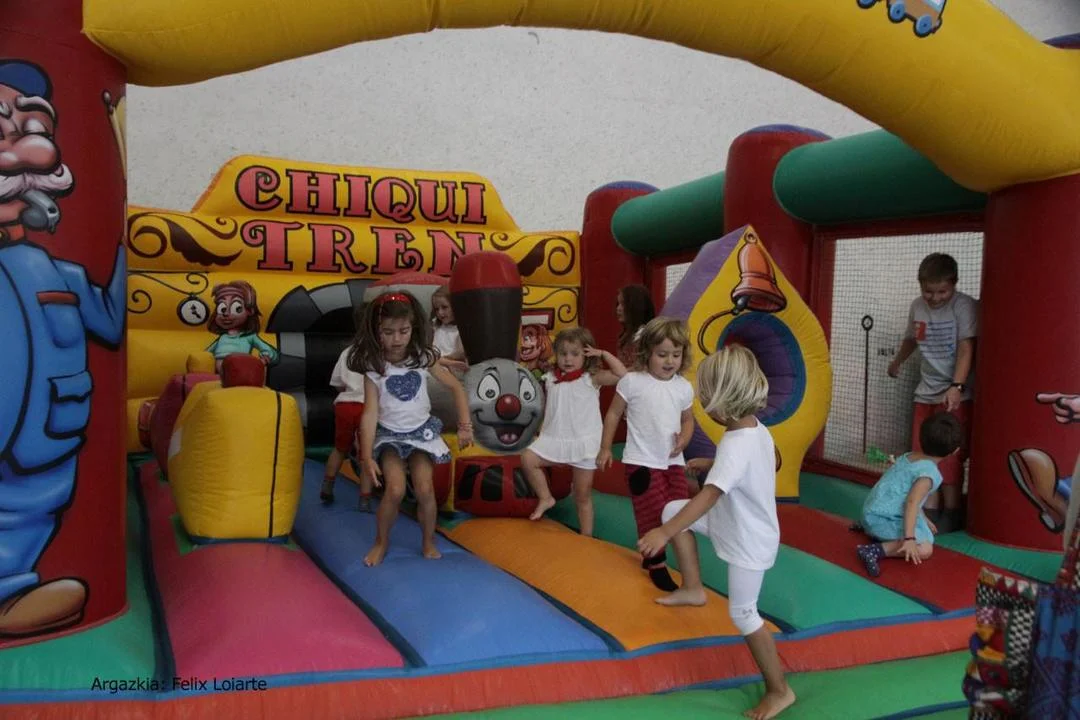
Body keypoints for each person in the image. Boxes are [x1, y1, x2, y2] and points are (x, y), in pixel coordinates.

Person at [637, 345, 794, 720]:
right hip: (731, 521)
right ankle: (694, 588)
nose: (702, 404)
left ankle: (779, 690)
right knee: (672, 506)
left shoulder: (737, 444)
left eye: (704, 397)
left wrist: (664, 533)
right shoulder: (753, 428)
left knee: (743, 613)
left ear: (720, 404)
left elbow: (708, 496)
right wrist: (716, 461)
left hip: (748, 539)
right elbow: (773, 460)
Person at [350, 291, 473, 567]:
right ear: (376, 331)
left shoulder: (422, 358)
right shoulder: (375, 367)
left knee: (425, 490)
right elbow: (369, 413)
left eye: (403, 331)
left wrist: (465, 426)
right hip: (390, 436)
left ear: (413, 328)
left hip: (421, 433)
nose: (397, 339)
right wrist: (366, 456)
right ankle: (381, 542)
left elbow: (456, 387)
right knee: (394, 490)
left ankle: (428, 541)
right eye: (388, 332)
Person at [598, 317, 694, 591]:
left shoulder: (683, 387)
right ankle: (656, 563)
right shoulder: (632, 382)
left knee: (677, 511)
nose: (669, 361)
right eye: (662, 354)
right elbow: (613, 414)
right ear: (647, 353)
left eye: (676, 355)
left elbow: (688, 419)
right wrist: (605, 447)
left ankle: (656, 554)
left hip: (672, 461)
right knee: (651, 512)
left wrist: (684, 439)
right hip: (641, 461)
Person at [887, 253, 977, 532]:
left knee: (949, 454)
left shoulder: (963, 306)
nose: (935, 298)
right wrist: (898, 361)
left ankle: (952, 510)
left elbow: (966, 348)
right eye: (928, 291)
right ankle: (930, 509)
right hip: (925, 391)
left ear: (954, 285)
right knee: (921, 451)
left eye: (942, 292)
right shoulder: (918, 306)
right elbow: (912, 339)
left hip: (954, 393)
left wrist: (957, 386)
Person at [520, 327, 628, 536]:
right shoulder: (550, 378)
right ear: (556, 354)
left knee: (582, 495)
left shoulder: (591, 378)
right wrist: (538, 429)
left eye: (575, 354)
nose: (568, 359)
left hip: (583, 442)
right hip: (555, 438)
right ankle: (546, 497)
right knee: (528, 459)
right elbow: (549, 408)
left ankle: (586, 536)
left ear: (585, 355)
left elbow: (621, 374)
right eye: (563, 354)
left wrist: (603, 354)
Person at [856, 412, 964, 577]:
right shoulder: (928, 474)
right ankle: (875, 550)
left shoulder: (910, 456)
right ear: (955, 451)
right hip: (881, 520)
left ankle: (872, 529)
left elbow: (905, 494)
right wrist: (909, 539)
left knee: (923, 529)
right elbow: (912, 502)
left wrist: (923, 518)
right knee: (926, 548)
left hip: (871, 512)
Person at [321, 304, 369, 507]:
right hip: (366, 407)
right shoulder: (381, 354)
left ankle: (327, 484)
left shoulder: (348, 352)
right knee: (366, 454)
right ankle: (365, 498)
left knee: (340, 448)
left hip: (345, 405)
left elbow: (337, 383)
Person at [206, 280, 279, 374]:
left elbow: (269, 351)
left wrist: (264, 358)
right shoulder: (223, 337)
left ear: (250, 311)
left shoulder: (249, 337)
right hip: (220, 375)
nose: (226, 313)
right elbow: (207, 353)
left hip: (240, 373)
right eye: (222, 309)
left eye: (237, 308)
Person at [616, 284, 656, 367]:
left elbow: (640, 368)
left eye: (623, 304)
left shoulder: (645, 336)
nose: (618, 308)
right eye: (618, 304)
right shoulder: (627, 334)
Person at [430, 285, 467, 373]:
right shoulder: (435, 325)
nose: (440, 312)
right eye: (436, 309)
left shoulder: (461, 329)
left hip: (450, 366)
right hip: (433, 363)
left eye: (444, 307)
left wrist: (444, 359)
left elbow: (461, 353)